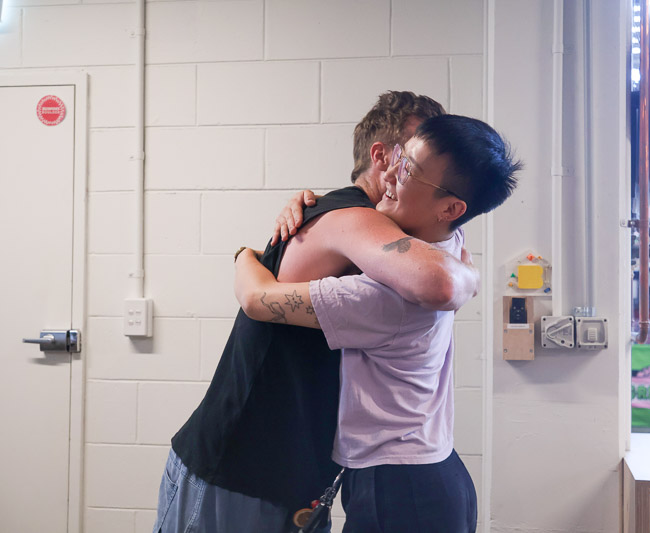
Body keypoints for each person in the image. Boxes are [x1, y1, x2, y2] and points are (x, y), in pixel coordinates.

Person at [153, 92, 480, 533]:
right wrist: (244, 254)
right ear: (381, 157)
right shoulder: (352, 220)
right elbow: (441, 280)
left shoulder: (394, 230)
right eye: (408, 158)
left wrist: (247, 253)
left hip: (294, 474)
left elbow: (446, 262)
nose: (403, 173)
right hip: (238, 467)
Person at [235, 114, 521, 532]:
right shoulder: (447, 242)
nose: (388, 172)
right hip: (427, 473)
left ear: (450, 208)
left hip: (400, 489)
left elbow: (256, 299)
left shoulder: (387, 298)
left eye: (409, 171)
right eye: (400, 157)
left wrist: (245, 254)